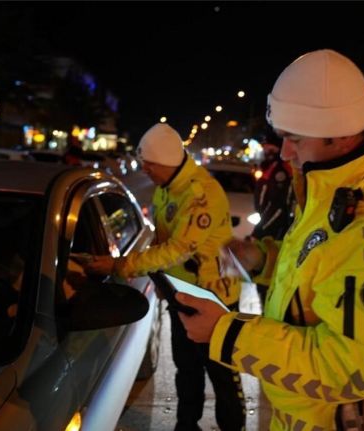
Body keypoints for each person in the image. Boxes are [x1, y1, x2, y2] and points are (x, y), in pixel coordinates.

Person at [176, 49, 364, 431]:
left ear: (344, 135)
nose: (284, 152)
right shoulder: (332, 182)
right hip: (305, 414)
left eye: (294, 139)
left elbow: (347, 370)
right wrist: (262, 260)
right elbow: (321, 269)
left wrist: (226, 332)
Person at [82, 123, 246, 431]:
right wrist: (161, 280)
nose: (144, 170)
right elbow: (160, 238)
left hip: (214, 298)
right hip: (182, 293)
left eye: (149, 165)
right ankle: (187, 425)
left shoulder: (200, 195)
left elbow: (177, 250)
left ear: (166, 163)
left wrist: (120, 265)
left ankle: (232, 428)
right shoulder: (165, 188)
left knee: (223, 373)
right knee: (186, 368)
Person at [249, 128, 294, 308]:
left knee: (267, 284)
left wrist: (260, 231)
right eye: (265, 148)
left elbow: (278, 207)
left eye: (269, 149)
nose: (266, 152)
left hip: (274, 235)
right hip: (269, 231)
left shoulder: (280, 170)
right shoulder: (270, 167)